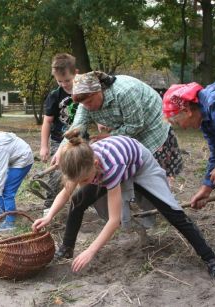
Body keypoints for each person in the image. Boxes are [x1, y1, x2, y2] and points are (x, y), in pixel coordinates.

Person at [32, 130, 215, 277]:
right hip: (111, 165)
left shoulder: (110, 167)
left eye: (86, 179)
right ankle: (66, 249)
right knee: (77, 201)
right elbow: (66, 193)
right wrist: (49, 216)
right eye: (80, 181)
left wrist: (90, 251)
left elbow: (114, 221)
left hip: (140, 165)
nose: (83, 184)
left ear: (96, 163)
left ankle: (211, 259)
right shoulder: (77, 161)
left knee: (172, 211)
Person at [51, 71, 183, 259]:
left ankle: (153, 214)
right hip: (120, 139)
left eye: (89, 102)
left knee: (146, 182)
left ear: (98, 92)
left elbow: (136, 124)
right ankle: (129, 212)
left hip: (150, 129)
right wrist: (63, 151)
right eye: (83, 104)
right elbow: (77, 127)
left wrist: (111, 136)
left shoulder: (125, 92)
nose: (87, 107)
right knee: (112, 185)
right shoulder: (85, 102)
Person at [162, 80, 215, 208]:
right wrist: (206, 189)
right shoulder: (205, 121)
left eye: (178, 123)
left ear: (187, 110)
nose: (183, 128)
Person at [39, 53, 79, 208]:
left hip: (81, 138)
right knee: (57, 173)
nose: (64, 84)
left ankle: (81, 202)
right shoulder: (55, 95)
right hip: (58, 139)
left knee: (82, 170)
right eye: (59, 81)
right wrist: (44, 146)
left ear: (76, 73)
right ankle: (49, 205)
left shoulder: (85, 90)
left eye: (67, 80)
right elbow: (47, 121)